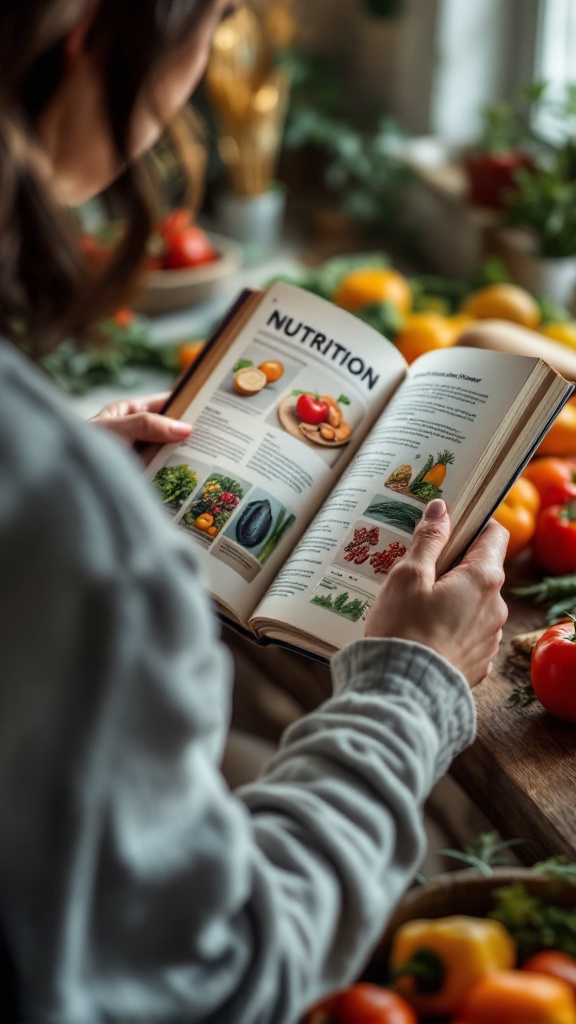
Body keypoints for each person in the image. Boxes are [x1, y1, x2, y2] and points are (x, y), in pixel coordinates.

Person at [0, 1, 509, 1022]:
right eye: (214, 27)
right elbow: (221, 974)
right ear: (89, 41)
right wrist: (412, 691)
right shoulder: (64, 528)